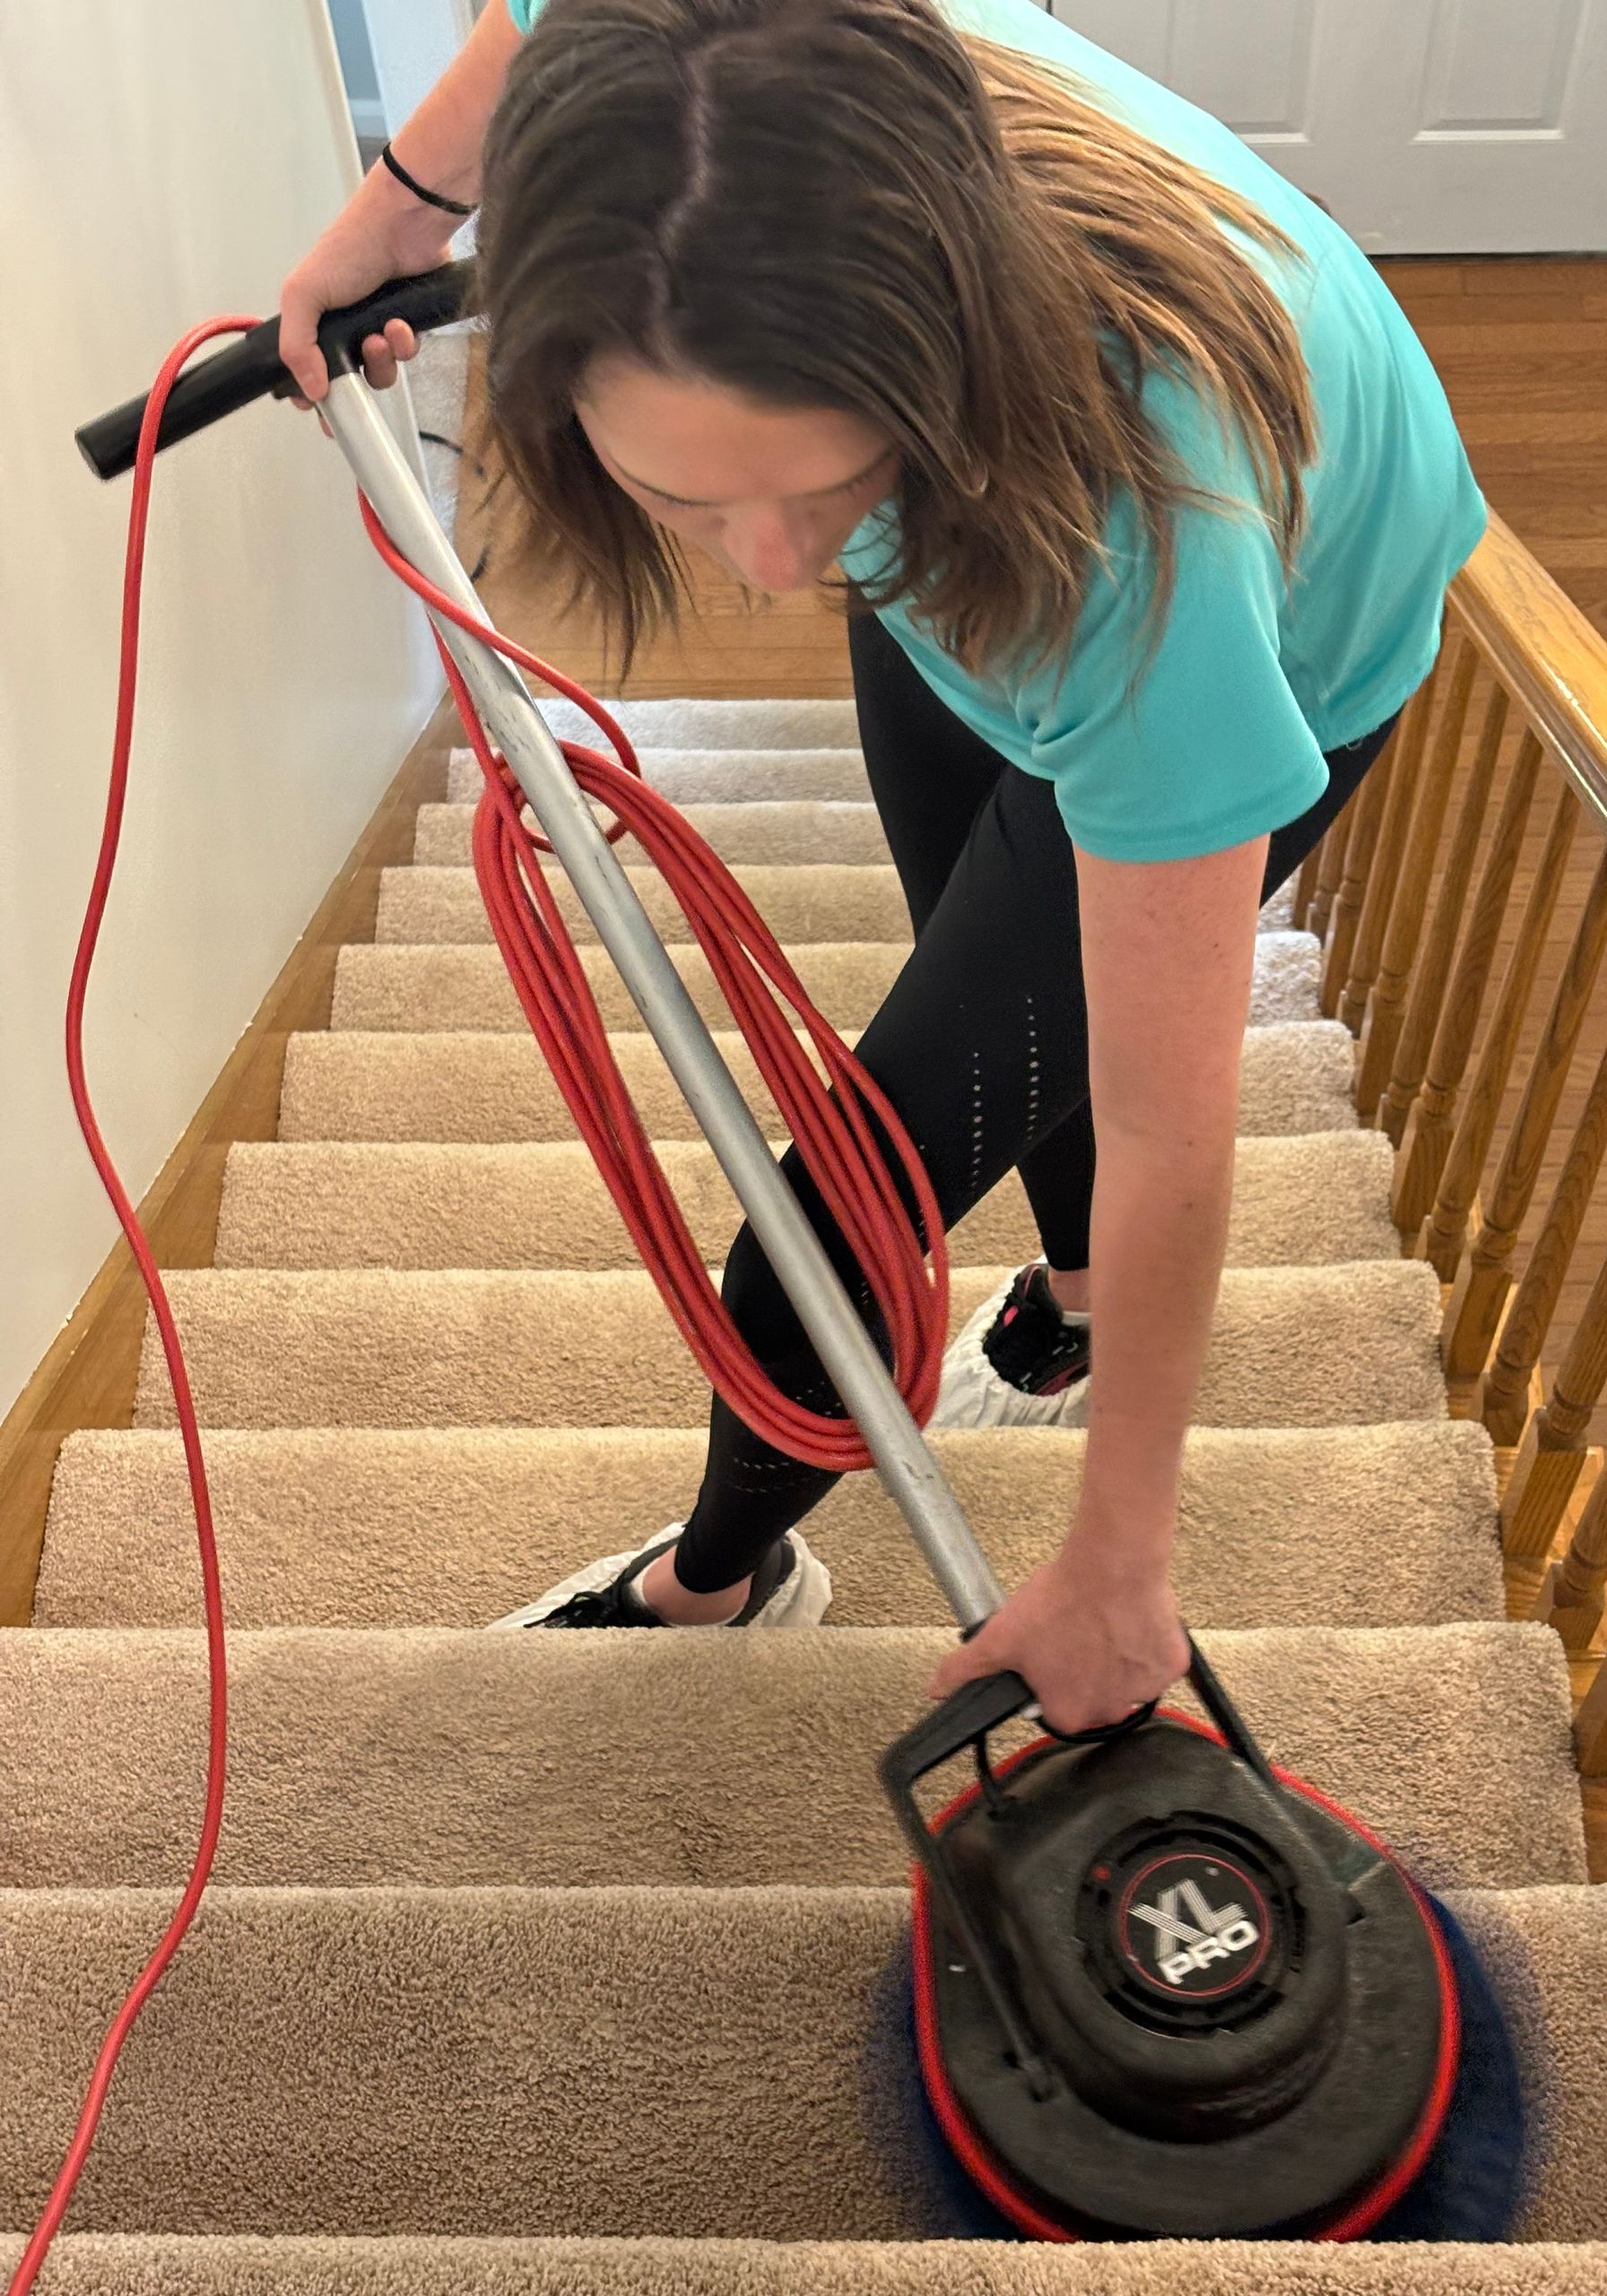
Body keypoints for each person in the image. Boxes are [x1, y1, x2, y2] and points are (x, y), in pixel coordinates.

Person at [281, 0, 1485, 1734]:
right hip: (982, 500)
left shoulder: (1148, 578)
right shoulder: (701, 72)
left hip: (1271, 603)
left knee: (838, 1207)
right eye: (689, 500)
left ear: (931, 358)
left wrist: (1124, 1562)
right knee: (991, 989)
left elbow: (1170, 1124)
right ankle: (1059, 1318)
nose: (776, 564)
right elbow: (534, 22)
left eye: (827, 484)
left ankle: (719, 1583)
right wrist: (391, 222)